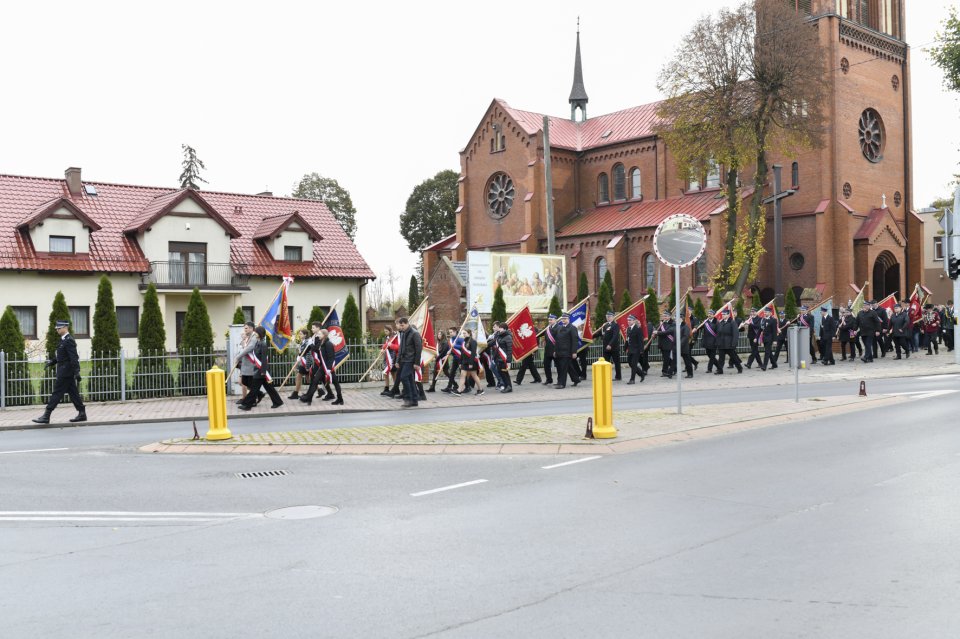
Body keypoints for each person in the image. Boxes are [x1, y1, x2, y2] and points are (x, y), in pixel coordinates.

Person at [32, 320, 86, 424]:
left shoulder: (69, 340)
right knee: (73, 393)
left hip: (66, 372)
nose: (57, 330)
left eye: (59, 328)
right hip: (65, 371)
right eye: (57, 328)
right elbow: (62, 356)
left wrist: (77, 371)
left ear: (65, 327)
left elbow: (74, 357)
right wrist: (52, 362)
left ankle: (46, 415)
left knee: (57, 393)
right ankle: (82, 413)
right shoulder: (63, 340)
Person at [238, 326, 283, 411]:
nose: (254, 334)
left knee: (254, 389)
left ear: (260, 334)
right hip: (258, 370)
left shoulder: (263, 344)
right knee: (269, 388)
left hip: (261, 371)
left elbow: (264, 359)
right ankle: (278, 402)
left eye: (256, 332)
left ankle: (247, 405)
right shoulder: (258, 343)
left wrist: (263, 371)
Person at [395, 316, 422, 407]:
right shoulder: (403, 333)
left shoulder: (415, 333)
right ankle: (414, 400)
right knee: (410, 379)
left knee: (403, 377)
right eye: (400, 325)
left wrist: (417, 363)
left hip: (410, 360)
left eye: (402, 325)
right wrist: (397, 361)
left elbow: (418, 349)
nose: (401, 327)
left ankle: (408, 398)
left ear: (407, 323)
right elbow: (401, 348)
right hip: (403, 360)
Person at [234, 321, 263, 406]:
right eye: (244, 328)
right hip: (246, 364)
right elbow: (243, 347)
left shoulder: (254, 337)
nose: (245, 330)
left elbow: (249, 348)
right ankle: (259, 394)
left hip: (251, 364)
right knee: (245, 382)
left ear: (251, 328)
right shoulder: (248, 337)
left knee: (249, 383)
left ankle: (252, 400)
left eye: (246, 328)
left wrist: (238, 357)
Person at [452, 328, 484, 396]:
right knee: (462, 375)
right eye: (463, 333)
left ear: (469, 334)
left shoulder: (473, 341)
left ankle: (480, 389)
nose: (463, 334)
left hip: (471, 362)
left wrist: (471, 363)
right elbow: (462, 353)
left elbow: (473, 353)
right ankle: (459, 390)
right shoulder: (464, 342)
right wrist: (460, 362)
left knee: (474, 375)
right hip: (464, 362)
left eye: (465, 333)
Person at [554, 312, 580, 388]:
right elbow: (557, 340)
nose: (563, 320)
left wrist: (574, 352)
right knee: (568, 367)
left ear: (568, 319)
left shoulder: (572, 328)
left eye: (565, 319)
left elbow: (574, 341)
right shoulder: (559, 328)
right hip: (559, 351)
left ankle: (562, 384)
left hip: (567, 352)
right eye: (562, 319)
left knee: (563, 368)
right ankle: (576, 379)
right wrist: (555, 351)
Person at [288, 328, 313, 400]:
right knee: (309, 379)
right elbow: (301, 352)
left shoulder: (308, 342)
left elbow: (309, 354)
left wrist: (307, 366)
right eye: (299, 334)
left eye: (301, 334)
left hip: (306, 362)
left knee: (299, 376)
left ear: (305, 335)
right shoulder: (303, 341)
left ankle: (296, 393)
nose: (299, 335)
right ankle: (319, 390)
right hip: (303, 362)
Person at [716, 308, 743, 374]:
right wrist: (718, 342)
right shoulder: (721, 322)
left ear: (728, 315)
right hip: (722, 343)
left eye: (724, 314)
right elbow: (718, 333)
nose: (723, 315)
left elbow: (735, 334)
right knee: (721, 358)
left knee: (733, 357)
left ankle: (739, 367)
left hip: (729, 343)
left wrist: (734, 343)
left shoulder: (732, 322)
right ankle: (720, 370)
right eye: (722, 314)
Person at [600, 310, 622, 380]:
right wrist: (591, 336)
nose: (608, 318)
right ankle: (606, 376)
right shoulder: (605, 325)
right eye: (607, 316)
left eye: (609, 316)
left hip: (613, 347)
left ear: (613, 317)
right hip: (606, 348)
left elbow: (615, 336)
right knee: (606, 363)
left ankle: (618, 376)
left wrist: (610, 344)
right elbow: (600, 334)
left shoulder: (615, 325)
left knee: (616, 362)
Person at [655, 311, 676, 378]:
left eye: (666, 316)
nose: (664, 317)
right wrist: (655, 331)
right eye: (664, 316)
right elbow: (656, 329)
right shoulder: (661, 323)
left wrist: (657, 332)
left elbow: (668, 332)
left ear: (670, 316)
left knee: (666, 358)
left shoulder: (673, 323)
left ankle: (664, 371)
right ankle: (674, 368)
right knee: (665, 358)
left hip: (668, 343)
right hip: (662, 343)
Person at [494, 322, 514, 393]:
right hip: (499, 358)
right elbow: (494, 343)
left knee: (504, 373)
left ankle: (509, 387)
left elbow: (509, 350)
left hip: (504, 358)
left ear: (504, 329)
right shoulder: (500, 336)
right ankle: (507, 386)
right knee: (501, 372)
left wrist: (508, 361)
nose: (499, 329)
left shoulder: (508, 337)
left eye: (500, 328)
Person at [625, 314, 646, 383]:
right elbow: (627, 339)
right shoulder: (628, 328)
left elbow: (641, 341)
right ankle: (641, 374)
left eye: (630, 320)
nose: (628, 321)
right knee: (630, 363)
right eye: (628, 320)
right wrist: (625, 348)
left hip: (636, 350)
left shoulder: (638, 329)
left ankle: (632, 379)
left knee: (633, 364)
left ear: (634, 321)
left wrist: (641, 351)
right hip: (630, 349)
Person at [541, 314, 558, 385]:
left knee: (559, 367)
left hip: (555, 350)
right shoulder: (548, 328)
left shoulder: (558, 328)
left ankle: (559, 380)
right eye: (549, 320)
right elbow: (546, 337)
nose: (550, 321)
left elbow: (559, 340)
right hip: (547, 350)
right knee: (546, 365)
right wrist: (544, 342)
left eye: (551, 320)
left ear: (555, 320)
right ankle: (549, 379)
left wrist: (556, 350)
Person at [679, 312, 695, 378]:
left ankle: (690, 374)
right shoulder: (677, 325)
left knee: (687, 361)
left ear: (682, 319)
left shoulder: (685, 326)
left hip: (684, 346)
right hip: (678, 346)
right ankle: (671, 371)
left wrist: (679, 344)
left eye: (679, 318)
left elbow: (685, 337)